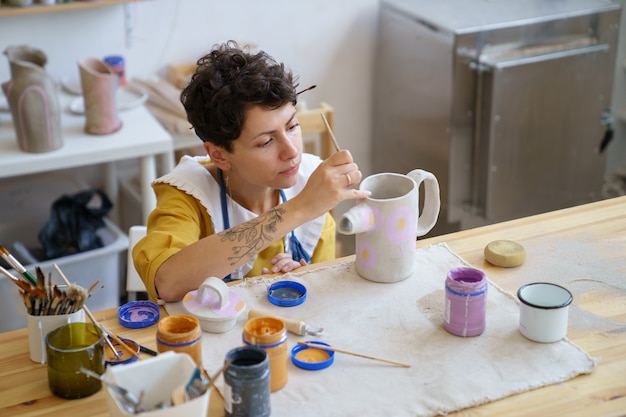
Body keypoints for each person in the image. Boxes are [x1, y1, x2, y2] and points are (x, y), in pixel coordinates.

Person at [133, 40, 370, 302]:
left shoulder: (309, 181)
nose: (291, 151)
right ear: (219, 155)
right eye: (266, 142)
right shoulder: (189, 194)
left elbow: (325, 292)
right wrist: (300, 208)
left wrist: (305, 281)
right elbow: (167, 282)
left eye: (292, 127)